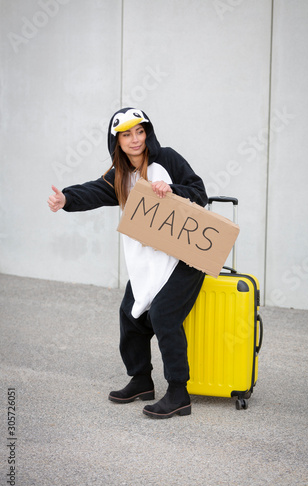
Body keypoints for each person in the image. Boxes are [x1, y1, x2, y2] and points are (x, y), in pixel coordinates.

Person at [48, 107, 208, 419]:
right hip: (150, 259)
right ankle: (141, 380)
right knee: (130, 315)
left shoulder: (168, 159)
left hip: (184, 259)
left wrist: (173, 190)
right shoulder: (120, 175)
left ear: (147, 132)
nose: (135, 139)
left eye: (139, 131)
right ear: (117, 141)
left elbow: (199, 193)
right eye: (126, 134)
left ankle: (178, 393)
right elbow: (95, 191)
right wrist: (65, 199)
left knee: (163, 315)